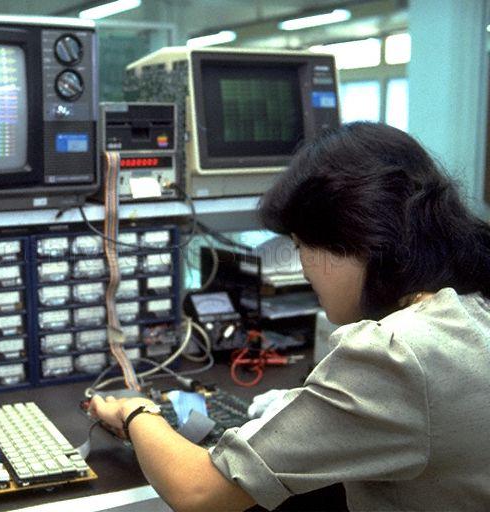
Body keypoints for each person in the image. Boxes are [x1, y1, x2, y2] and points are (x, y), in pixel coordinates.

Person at [89, 122, 490, 511]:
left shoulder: (397, 352)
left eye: (300, 245)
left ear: (357, 236)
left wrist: (136, 412)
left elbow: (198, 492)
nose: (302, 268)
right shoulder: (466, 312)